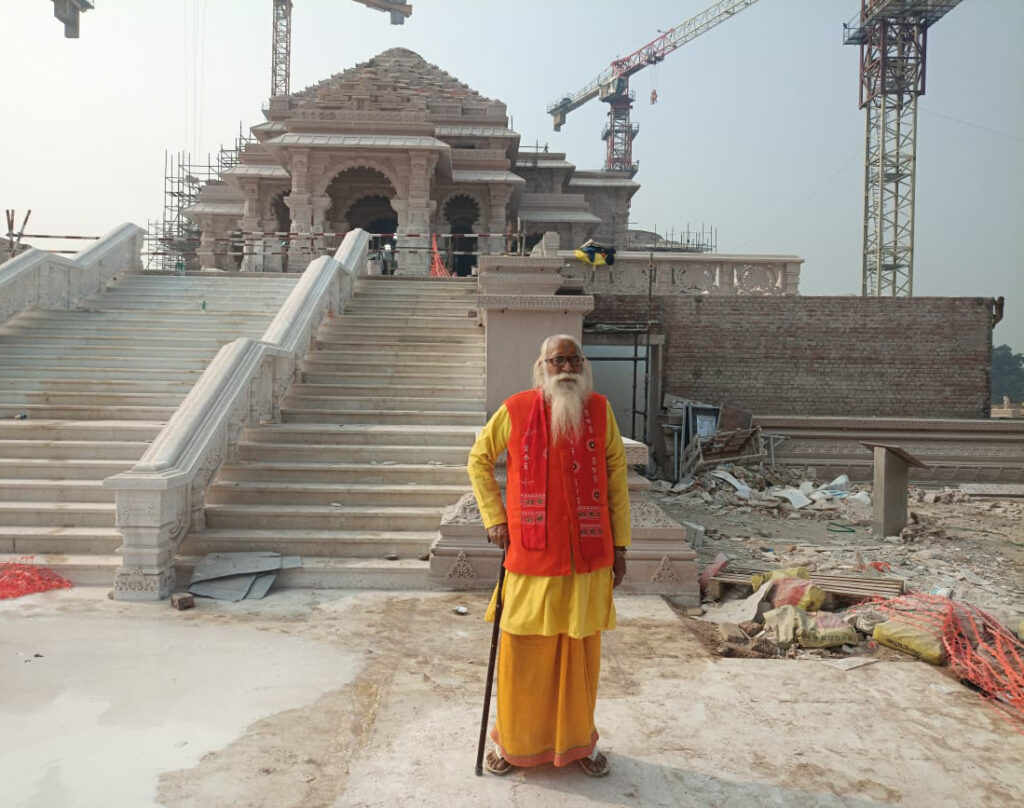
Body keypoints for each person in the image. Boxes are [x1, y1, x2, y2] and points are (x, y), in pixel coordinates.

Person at [467, 334, 631, 778]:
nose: (567, 367)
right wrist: (494, 518)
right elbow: (479, 460)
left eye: (575, 359)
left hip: (587, 559)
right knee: (523, 656)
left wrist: (620, 546)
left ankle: (578, 743)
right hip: (531, 558)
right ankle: (515, 744)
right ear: (542, 367)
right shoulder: (515, 409)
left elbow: (616, 474)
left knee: (580, 659)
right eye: (558, 360)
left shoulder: (600, 411)